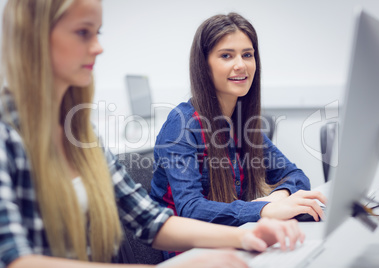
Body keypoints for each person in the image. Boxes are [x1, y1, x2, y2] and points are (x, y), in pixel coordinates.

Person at [0, 1, 306, 268]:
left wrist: (247, 233)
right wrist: (260, 212)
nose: (98, 47)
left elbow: (151, 221)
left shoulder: (81, 133)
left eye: (98, 33)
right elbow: (16, 260)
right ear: (34, 38)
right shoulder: (7, 136)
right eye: (83, 32)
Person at [150, 13, 326, 258]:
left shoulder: (241, 123)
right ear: (204, 65)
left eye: (247, 54)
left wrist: (278, 199)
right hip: (190, 253)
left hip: (236, 240)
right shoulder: (181, 125)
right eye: (226, 55)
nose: (241, 65)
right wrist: (264, 210)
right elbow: (191, 209)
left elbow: (294, 175)